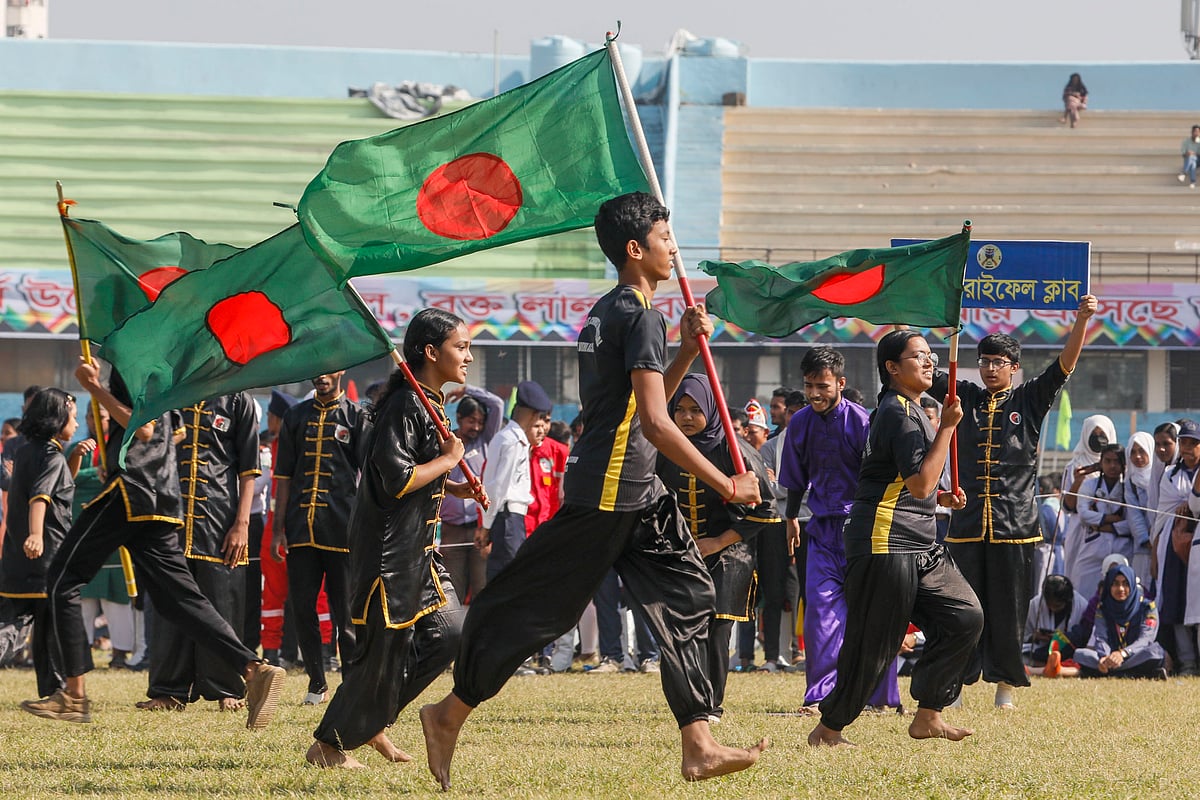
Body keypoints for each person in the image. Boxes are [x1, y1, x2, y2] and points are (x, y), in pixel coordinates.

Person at [419, 191, 767, 790]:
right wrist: (726, 484)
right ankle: (447, 713)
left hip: (637, 491)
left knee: (688, 596)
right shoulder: (639, 315)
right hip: (611, 489)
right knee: (536, 611)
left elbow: (637, 404)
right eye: (665, 239)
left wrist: (683, 350)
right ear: (636, 250)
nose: (675, 249)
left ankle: (700, 744)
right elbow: (657, 424)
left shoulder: (612, 311)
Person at [25, 361, 284, 726]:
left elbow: (145, 429)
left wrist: (95, 388)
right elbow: (172, 433)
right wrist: (113, 447)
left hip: (130, 493)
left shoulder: (136, 366)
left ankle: (73, 695)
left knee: (62, 581)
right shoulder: (170, 375)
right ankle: (254, 667)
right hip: (164, 501)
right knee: (180, 600)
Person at [305, 308, 487, 768]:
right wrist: (448, 461)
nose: (468, 356)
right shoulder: (407, 403)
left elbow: (418, 475)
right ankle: (329, 746)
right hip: (389, 556)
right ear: (430, 352)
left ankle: (369, 725)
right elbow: (396, 480)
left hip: (419, 553)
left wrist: (455, 482)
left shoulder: (430, 401)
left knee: (451, 634)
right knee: (379, 660)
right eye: (460, 347)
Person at [809, 330, 980, 748]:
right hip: (884, 542)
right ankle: (828, 730)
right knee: (875, 645)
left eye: (930, 355)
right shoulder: (898, 414)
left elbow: (909, 484)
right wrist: (948, 429)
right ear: (891, 367)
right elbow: (919, 484)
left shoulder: (910, 409)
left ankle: (928, 715)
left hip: (920, 542)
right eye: (918, 356)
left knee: (964, 617)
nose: (930, 363)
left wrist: (942, 497)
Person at [931, 294, 1096, 709]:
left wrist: (1081, 320)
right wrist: (909, 323)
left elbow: (1065, 365)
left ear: (1013, 368)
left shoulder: (1030, 399)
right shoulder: (961, 395)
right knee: (963, 608)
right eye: (984, 361)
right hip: (966, 525)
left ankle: (1005, 685)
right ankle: (957, 684)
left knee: (1008, 609)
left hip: (1016, 527)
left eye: (997, 363)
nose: (989, 369)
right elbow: (921, 372)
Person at [779, 346, 901, 714]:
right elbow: (795, 478)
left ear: (840, 384)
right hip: (820, 530)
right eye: (809, 385)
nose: (815, 393)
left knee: (871, 612)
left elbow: (876, 475)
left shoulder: (861, 422)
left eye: (823, 386)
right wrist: (789, 520)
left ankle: (880, 697)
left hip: (862, 529)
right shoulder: (799, 422)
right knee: (819, 613)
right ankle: (820, 696)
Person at [659, 373, 777, 718]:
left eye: (695, 409)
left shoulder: (734, 449)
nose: (686, 417)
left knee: (716, 631)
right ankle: (688, 701)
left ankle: (712, 705)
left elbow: (766, 509)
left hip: (729, 556)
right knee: (681, 631)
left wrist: (718, 542)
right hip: (680, 554)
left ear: (711, 410)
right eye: (679, 409)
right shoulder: (664, 446)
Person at [142, 392, 260, 712]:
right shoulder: (169, 395)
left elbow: (249, 469)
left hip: (220, 521)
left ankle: (226, 689)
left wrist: (242, 523)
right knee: (171, 604)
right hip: (171, 516)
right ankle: (169, 690)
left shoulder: (239, 402)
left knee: (222, 605)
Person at [271, 371, 366, 705]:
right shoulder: (295, 416)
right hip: (300, 530)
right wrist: (278, 529)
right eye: (316, 370)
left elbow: (369, 476)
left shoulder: (357, 417)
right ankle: (316, 683)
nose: (321, 376)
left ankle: (352, 684)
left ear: (341, 372)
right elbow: (283, 477)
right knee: (302, 609)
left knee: (346, 614)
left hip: (341, 531)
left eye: (328, 370)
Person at [0, 389, 93, 699]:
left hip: (17, 554)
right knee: (41, 626)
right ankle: (55, 689)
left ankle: (51, 689)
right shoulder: (51, 456)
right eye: (74, 417)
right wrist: (37, 535)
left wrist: (75, 458)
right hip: (45, 553)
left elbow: (57, 486)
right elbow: (41, 497)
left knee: (23, 620)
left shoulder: (27, 451)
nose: (77, 424)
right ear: (57, 420)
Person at [479, 381, 552, 579]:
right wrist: (486, 525)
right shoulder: (511, 440)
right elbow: (496, 487)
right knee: (506, 578)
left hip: (512, 519)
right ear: (531, 414)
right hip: (507, 518)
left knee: (511, 577)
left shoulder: (516, 439)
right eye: (538, 417)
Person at [439, 385, 503, 604]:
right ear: (458, 418)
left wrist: (467, 390)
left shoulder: (486, 440)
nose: (476, 426)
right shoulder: (446, 442)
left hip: (479, 529)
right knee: (452, 590)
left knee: (481, 588)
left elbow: (497, 404)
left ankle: (478, 637)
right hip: (451, 529)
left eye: (480, 422)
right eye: (471, 421)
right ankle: (454, 638)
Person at [1152, 420, 1198, 673]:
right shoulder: (1170, 474)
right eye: (1185, 443)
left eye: (1194, 443)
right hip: (1173, 541)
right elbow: (1165, 511)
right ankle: (1187, 661)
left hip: (1198, 544)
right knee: (1176, 600)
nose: (1188, 448)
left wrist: (1191, 505)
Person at [1061, 414, 1117, 603]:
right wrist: (1078, 481)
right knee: (1078, 582)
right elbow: (1068, 506)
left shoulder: (1117, 466)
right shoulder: (1074, 466)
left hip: (1112, 532)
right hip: (1080, 530)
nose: (1098, 438)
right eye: (1094, 433)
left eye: (1102, 433)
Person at [1073, 564, 1166, 679]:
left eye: (1125, 584)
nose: (1121, 589)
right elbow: (1101, 636)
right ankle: (1132, 674)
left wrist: (1123, 653)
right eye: (1116, 584)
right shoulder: (1103, 608)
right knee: (1080, 654)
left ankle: (1108, 673)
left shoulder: (1147, 607)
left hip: (1134, 654)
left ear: (1132, 585)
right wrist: (1104, 657)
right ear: (1109, 586)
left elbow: (1146, 639)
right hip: (1111, 656)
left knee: (1154, 653)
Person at [1071, 444, 1132, 594]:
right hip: (1092, 548)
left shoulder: (1129, 488)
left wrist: (1105, 526)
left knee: (1119, 593)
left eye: (1117, 461)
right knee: (1083, 591)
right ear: (1101, 463)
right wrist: (1110, 518)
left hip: (1122, 548)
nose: (1112, 466)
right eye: (1107, 461)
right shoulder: (1089, 485)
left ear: (1124, 464)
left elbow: (1131, 523)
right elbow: (1084, 514)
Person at [1022, 574, 1088, 674]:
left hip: (1068, 652)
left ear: (1067, 601)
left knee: (1083, 657)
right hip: (1038, 651)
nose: (1053, 608)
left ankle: (1048, 668)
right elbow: (1022, 634)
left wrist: (1061, 638)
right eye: (1049, 605)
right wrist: (1034, 636)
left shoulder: (1081, 606)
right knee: (1019, 657)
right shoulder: (1035, 604)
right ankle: (1051, 667)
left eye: (1057, 606)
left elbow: (1083, 636)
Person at [1124, 433, 1155, 591]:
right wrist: (1146, 540)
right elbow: (1134, 513)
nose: (1138, 456)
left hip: (1163, 540)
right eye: (1133, 452)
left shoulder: (1161, 475)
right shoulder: (1130, 480)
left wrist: (1158, 537)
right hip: (1143, 546)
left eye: (1142, 451)